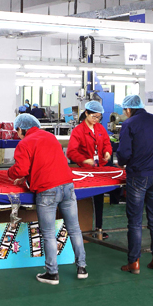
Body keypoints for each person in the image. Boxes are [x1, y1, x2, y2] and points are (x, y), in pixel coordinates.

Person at [8, 113, 87, 284]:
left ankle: (52, 273)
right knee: (74, 229)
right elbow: (47, 161)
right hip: (68, 186)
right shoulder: (50, 137)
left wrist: (11, 173)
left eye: (17, 131)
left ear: (21, 129)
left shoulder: (25, 143)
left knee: (49, 234)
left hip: (47, 190)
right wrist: (27, 175)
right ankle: (82, 267)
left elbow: (20, 169)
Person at [117, 95, 153, 274]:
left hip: (138, 176)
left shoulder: (129, 124)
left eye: (124, 110)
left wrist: (120, 162)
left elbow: (124, 152)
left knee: (135, 221)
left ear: (129, 109)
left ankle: (134, 262)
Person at [67, 101, 113, 238]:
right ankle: (81, 228)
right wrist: (84, 160)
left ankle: (99, 228)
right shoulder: (78, 131)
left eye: (98, 117)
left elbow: (107, 143)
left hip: (99, 169)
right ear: (86, 113)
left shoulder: (100, 128)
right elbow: (71, 152)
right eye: (94, 116)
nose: (96, 119)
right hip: (84, 171)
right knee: (84, 201)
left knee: (99, 198)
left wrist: (107, 152)